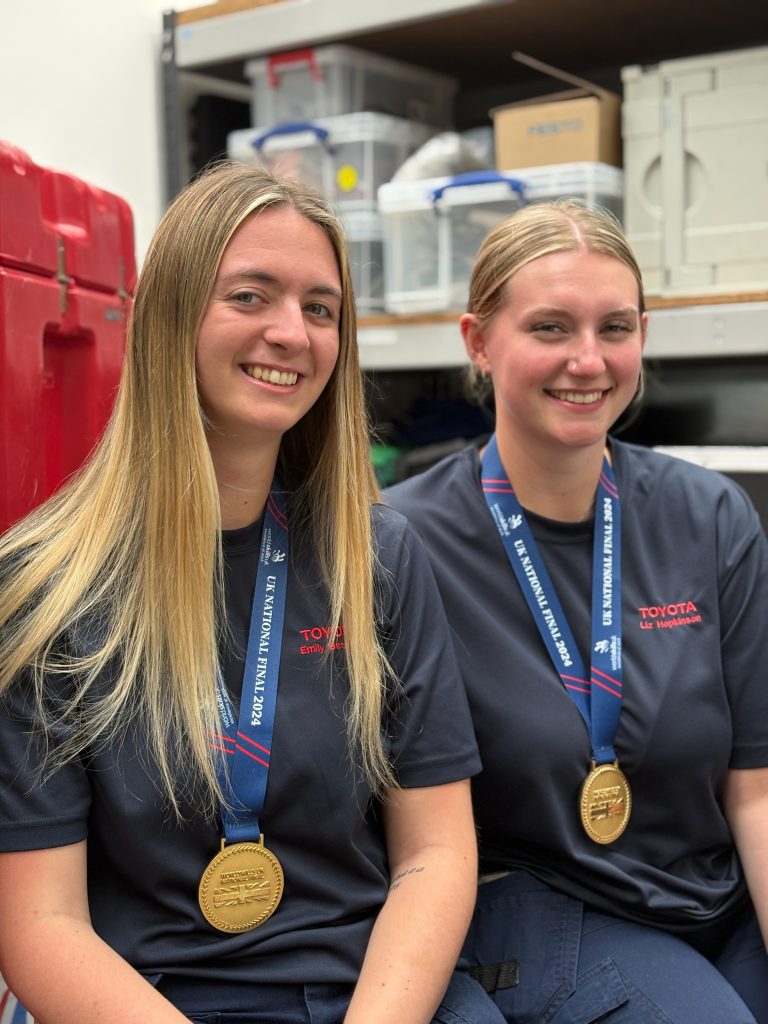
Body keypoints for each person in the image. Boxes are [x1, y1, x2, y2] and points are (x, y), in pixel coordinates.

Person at [0, 163, 506, 1024]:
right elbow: (41, 925)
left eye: (319, 308)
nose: (292, 333)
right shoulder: (46, 583)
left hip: (374, 993)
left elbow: (435, 853)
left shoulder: (379, 556)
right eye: (250, 295)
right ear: (171, 315)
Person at [385, 199, 768, 1024]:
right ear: (478, 343)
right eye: (551, 328)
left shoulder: (711, 517)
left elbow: (757, 794)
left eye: (616, 327)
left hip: (710, 897)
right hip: (539, 903)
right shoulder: (401, 543)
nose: (589, 361)